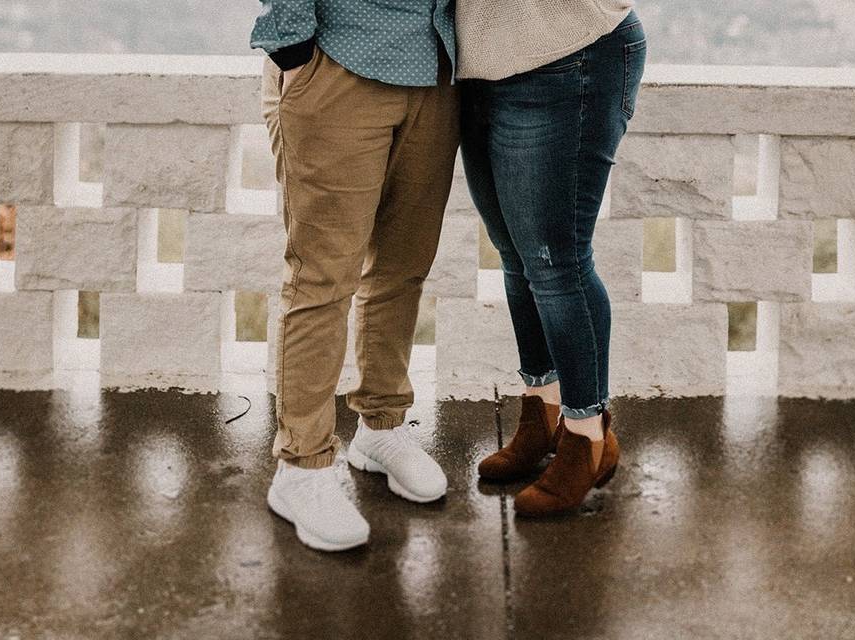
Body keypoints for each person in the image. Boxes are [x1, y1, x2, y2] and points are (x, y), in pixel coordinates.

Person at [251, 0, 459, 551]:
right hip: (336, 64)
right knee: (321, 281)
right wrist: (295, 53)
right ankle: (301, 465)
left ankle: (381, 427)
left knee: (402, 269)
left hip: (437, 70)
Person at [456, 2, 647, 516]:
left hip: (568, 51)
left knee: (556, 264)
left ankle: (586, 436)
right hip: (480, 63)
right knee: (517, 257)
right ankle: (542, 414)